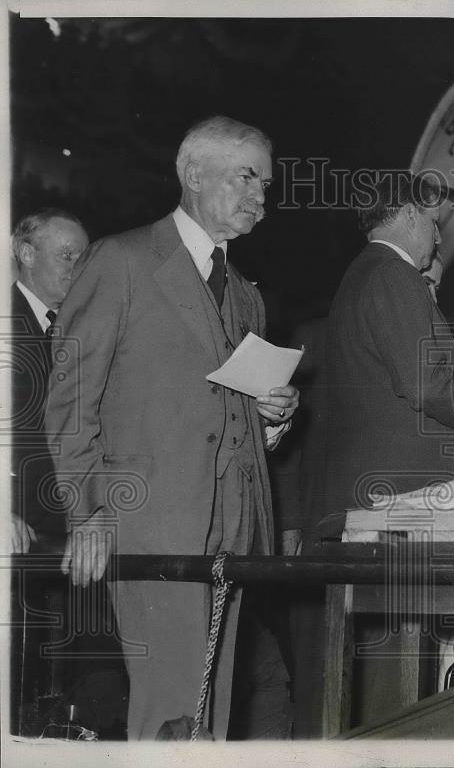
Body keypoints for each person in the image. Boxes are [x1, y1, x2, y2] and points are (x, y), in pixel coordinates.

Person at [45, 116, 299, 740]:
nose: (260, 195)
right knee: (169, 712)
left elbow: (228, 409)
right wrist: (89, 512)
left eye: (265, 183)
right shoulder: (122, 260)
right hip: (152, 523)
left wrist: (272, 419)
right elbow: (71, 400)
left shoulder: (245, 293)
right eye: (245, 176)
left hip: (233, 529)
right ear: (192, 173)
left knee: (207, 709)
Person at [292, 171, 454, 737]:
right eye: (435, 225)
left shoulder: (368, 276)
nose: (439, 239)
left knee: (396, 657)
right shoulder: (393, 276)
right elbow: (428, 380)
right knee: (399, 666)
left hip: (393, 501)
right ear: (411, 213)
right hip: (407, 501)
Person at [8, 209, 89, 552]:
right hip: (19, 526)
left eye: (84, 258)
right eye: (67, 255)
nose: (78, 268)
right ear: (27, 254)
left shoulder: (84, 327)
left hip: (73, 526)